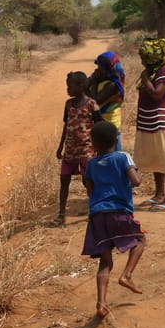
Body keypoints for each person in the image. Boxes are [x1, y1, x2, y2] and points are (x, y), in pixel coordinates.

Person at [82, 121, 145, 319]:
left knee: (105, 262)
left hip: (97, 215)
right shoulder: (122, 156)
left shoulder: (91, 164)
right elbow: (135, 181)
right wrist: (139, 173)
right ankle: (126, 275)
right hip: (119, 211)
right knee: (140, 240)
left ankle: (101, 304)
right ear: (116, 140)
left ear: (93, 143)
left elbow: (90, 191)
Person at [135, 38, 165, 211]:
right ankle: (159, 194)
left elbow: (157, 95)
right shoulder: (153, 71)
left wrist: (145, 79)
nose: (142, 60)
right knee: (157, 157)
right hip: (148, 120)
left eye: (144, 57)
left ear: (153, 56)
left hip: (159, 120)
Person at [54, 71, 102, 226]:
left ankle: (95, 209)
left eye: (70, 87)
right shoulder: (68, 104)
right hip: (70, 149)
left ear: (81, 87)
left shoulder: (92, 104)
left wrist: (100, 149)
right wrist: (60, 146)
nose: (68, 90)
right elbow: (66, 125)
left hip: (87, 149)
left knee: (87, 180)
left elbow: (99, 126)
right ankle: (61, 214)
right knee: (64, 180)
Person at [87, 51, 126, 150]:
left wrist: (94, 82)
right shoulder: (101, 77)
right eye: (98, 66)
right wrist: (92, 80)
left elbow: (94, 101)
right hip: (98, 119)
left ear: (109, 69)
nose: (98, 69)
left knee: (112, 149)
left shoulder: (114, 85)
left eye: (101, 67)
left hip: (109, 119)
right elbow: (83, 87)